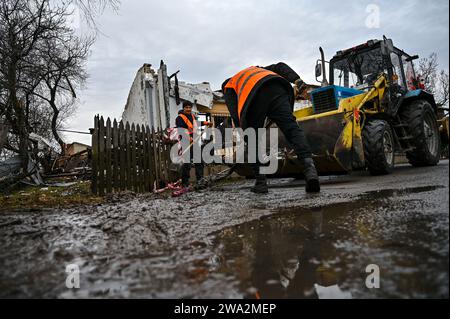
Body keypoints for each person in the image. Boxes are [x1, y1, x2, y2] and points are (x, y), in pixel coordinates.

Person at [222, 62, 320, 194]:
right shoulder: (259, 70)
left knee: (251, 139)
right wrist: (297, 80)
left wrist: (245, 132)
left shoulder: (228, 86)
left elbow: (236, 115)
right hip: (278, 86)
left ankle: (261, 183)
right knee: (291, 129)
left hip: (254, 95)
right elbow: (280, 66)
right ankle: (310, 171)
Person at [175, 101, 211, 190]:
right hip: (186, 141)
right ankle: (185, 183)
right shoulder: (179, 118)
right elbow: (181, 130)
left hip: (195, 140)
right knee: (187, 163)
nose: (188, 109)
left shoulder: (192, 116)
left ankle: (200, 180)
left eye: (189, 107)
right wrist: (189, 138)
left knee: (199, 161)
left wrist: (206, 123)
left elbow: (198, 123)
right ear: (183, 108)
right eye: (186, 107)